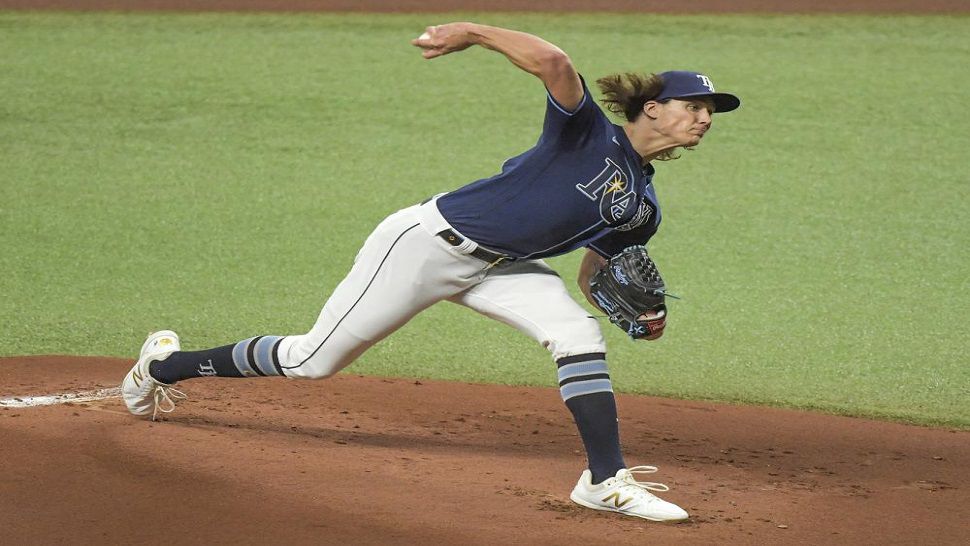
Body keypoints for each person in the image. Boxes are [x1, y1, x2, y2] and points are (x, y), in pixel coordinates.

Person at [122, 22, 739, 523]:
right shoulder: (588, 135)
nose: (705, 118)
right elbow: (553, 61)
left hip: (501, 268)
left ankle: (605, 482)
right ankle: (160, 365)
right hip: (425, 245)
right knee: (313, 361)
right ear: (653, 109)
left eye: (711, 112)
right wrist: (471, 32)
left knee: (579, 335)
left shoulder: (643, 207)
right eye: (695, 106)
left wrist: (640, 313)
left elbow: (593, 274)